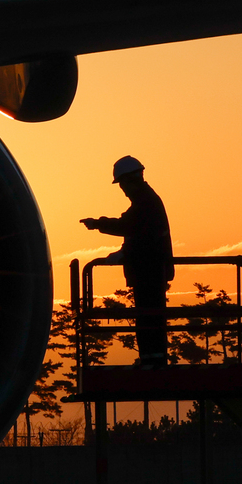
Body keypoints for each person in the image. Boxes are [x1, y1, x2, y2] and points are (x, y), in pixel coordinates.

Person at [81, 156, 175, 366]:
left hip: (149, 271)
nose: (122, 189)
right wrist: (124, 251)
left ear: (130, 180)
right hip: (149, 270)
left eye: (122, 184)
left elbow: (132, 229)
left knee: (149, 317)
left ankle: (153, 361)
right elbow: (136, 232)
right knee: (148, 317)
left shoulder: (145, 203)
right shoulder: (146, 201)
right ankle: (151, 359)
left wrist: (99, 225)